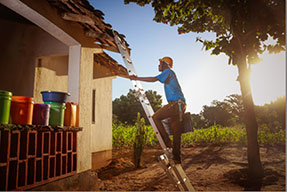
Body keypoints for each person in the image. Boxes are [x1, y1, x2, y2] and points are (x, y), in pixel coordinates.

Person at [130, 56, 186, 164]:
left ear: (166, 64)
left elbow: (154, 79)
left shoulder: (168, 71)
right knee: (176, 133)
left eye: (160, 64)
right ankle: (177, 158)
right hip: (180, 105)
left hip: (176, 104)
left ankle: (166, 141)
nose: (158, 65)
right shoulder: (169, 74)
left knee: (155, 117)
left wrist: (137, 78)